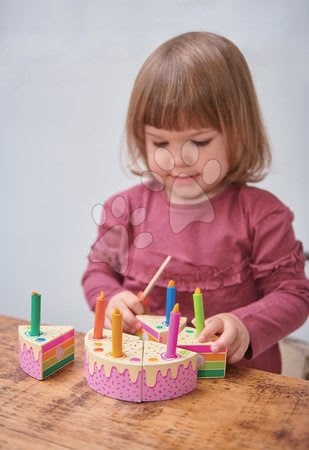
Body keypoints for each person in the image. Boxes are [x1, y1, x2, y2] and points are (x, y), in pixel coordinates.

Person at [82, 31, 309, 373]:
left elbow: (293, 295)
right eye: (160, 142)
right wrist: (112, 299)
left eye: (199, 142)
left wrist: (245, 325)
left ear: (239, 132)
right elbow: (98, 272)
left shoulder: (263, 215)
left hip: (237, 385)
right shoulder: (125, 210)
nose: (178, 159)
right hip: (145, 376)